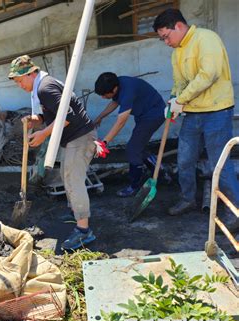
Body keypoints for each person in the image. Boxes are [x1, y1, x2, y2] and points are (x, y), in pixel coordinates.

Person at [8, 55, 108, 250]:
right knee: (66, 175)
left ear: (31, 73)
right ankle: (75, 213)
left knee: (73, 180)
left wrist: (43, 134)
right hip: (72, 138)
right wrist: (33, 119)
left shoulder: (45, 88)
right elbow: (50, 114)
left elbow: (67, 115)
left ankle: (83, 231)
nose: (20, 85)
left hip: (80, 136)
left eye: (20, 80)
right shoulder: (42, 87)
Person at [154, 9, 239, 225]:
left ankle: (234, 211)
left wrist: (181, 100)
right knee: (184, 159)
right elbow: (178, 82)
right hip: (192, 112)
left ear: (179, 26)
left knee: (219, 163)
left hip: (217, 110)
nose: (166, 42)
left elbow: (208, 75)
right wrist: (173, 100)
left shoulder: (206, 39)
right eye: (162, 38)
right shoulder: (177, 52)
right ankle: (187, 199)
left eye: (166, 36)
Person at [94, 72, 171, 197]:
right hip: (143, 115)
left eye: (104, 95)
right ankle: (161, 171)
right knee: (139, 147)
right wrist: (100, 117)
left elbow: (121, 122)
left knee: (132, 149)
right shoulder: (118, 84)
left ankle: (134, 186)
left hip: (153, 115)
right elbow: (115, 102)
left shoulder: (128, 90)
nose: (103, 97)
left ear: (114, 89)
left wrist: (104, 143)